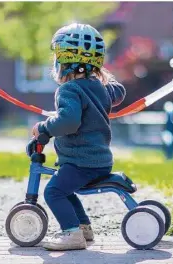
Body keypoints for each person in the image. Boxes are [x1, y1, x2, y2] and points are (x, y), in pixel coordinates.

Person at [30, 23, 126, 251]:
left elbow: (69, 122)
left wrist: (44, 127)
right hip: (98, 160)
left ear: (62, 61)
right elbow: (119, 91)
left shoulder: (69, 90)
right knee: (64, 189)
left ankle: (72, 234)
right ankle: (83, 227)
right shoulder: (100, 87)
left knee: (53, 191)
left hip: (81, 162)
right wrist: (99, 75)